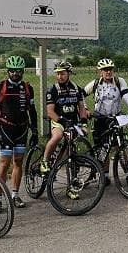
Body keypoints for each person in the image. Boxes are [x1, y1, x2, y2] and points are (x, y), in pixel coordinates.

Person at [0, 55, 38, 209]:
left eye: (18, 71)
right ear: (7, 71)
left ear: (22, 71)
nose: (15, 74)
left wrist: (35, 130)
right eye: (12, 71)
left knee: (18, 162)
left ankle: (15, 195)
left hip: (22, 129)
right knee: (4, 164)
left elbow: (33, 111)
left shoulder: (28, 88)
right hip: (5, 129)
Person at [83, 58, 128, 186]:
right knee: (103, 148)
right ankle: (106, 175)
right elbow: (80, 95)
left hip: (116, 117)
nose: (108, 72)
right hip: (100, 118)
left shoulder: (119, 81)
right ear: (100, 72)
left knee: (121, 146)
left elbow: (126, 95)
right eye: (105, 70)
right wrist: (85, 109)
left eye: (110, 69)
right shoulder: (95, 83)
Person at [40, 61, 88, 198]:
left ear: (69, 74)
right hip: (59, 122)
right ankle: (44, 161)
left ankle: (71, 188)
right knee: (57, 136)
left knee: (70, 156)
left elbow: (82, 108)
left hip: (73, 123)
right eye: (58, 74)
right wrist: (62, 121)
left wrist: (84, 123)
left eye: (63, 73)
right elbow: (50, 112)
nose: (60, 76)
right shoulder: (53, 89)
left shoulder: (76, 89)